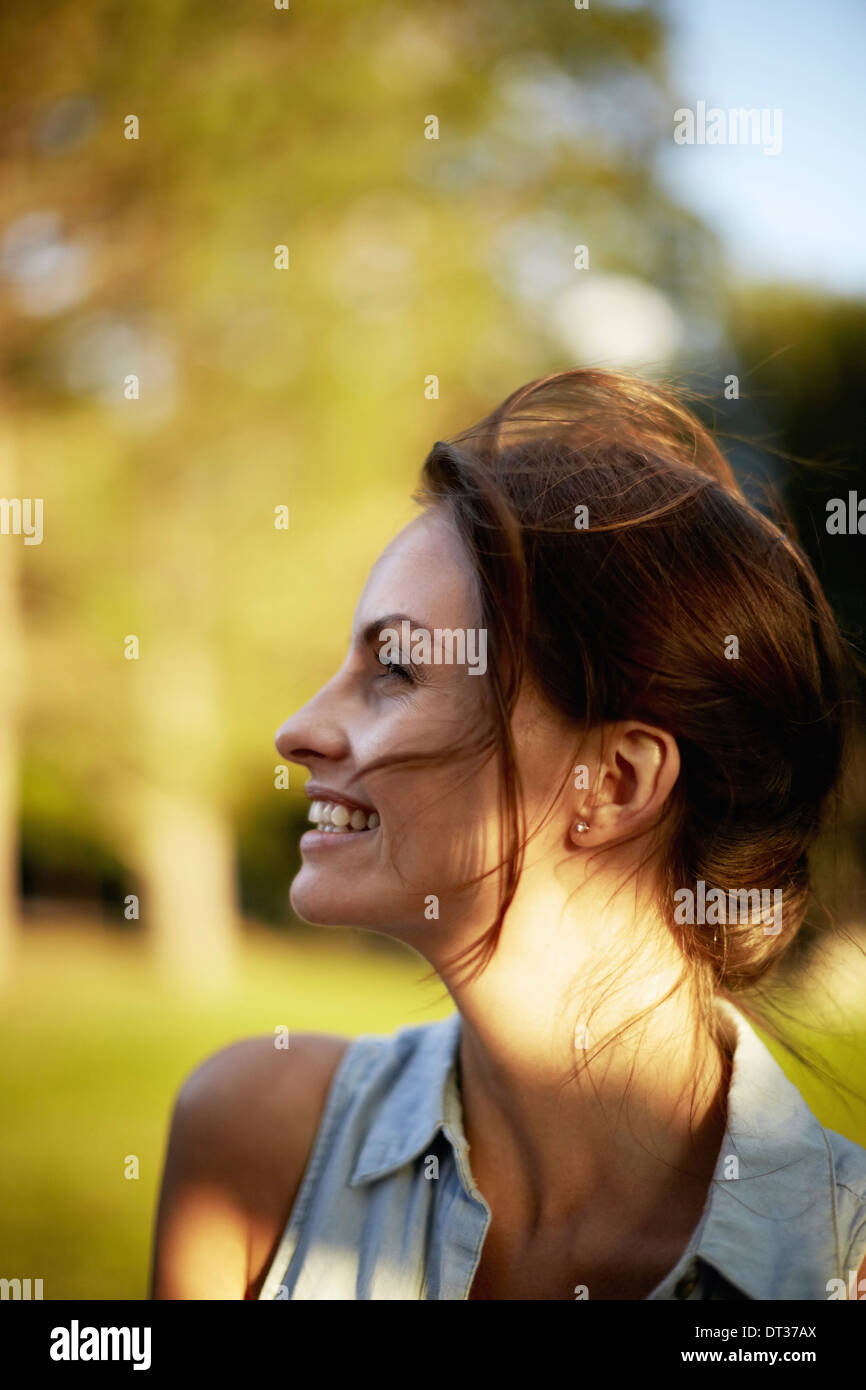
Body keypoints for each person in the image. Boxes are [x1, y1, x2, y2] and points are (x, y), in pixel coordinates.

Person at [150, 369, 866, 1300]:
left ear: (613, 782)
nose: (299, 730)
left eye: (396, 668)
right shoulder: (254, 1141)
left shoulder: (838, 1274)